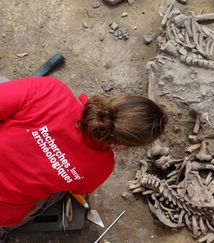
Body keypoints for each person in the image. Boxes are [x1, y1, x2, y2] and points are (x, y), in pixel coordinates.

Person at [0, 76, 167, 240]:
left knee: (5, 84)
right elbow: (78, 190)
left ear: (116, 101)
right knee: (64, 190)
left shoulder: (49, 90)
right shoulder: (101, 168)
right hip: (4, 211)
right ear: (124, 145)